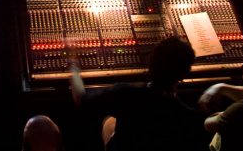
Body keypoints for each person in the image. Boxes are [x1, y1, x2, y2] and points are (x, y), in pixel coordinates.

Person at [71, 36, 206, 151]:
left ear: (150, 62)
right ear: (185, 73)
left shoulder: (125, 94)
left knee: (109, 121)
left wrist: (74, 66)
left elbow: (81, 100)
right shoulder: (189, 117)